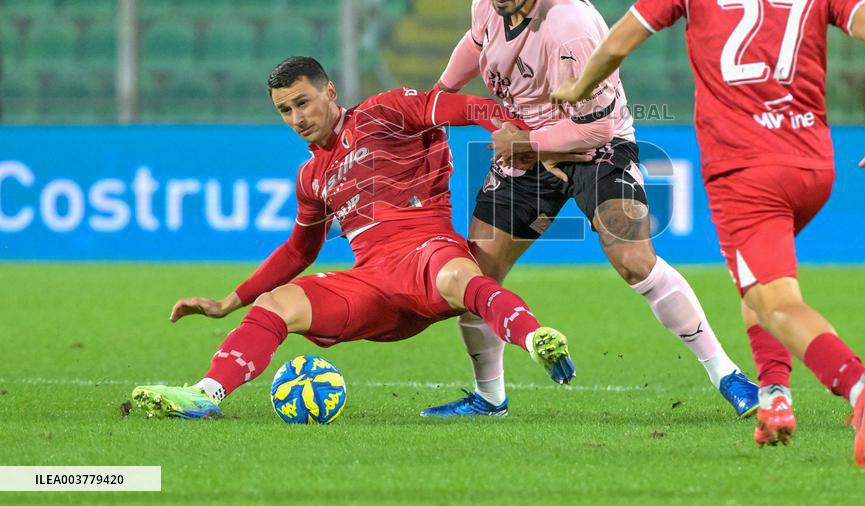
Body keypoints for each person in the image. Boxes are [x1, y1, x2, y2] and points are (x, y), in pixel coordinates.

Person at [550, 0, 865, 467]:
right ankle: (774, 396)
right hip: (814, 165)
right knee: (761, 285)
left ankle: (857, 384)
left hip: (747, 169)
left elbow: (616, 43)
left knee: (777, 301)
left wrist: (576, 87)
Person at [422, 0, 759, 419]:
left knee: (633, 260)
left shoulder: (571, 29)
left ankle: (727, 375)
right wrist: (440, 95)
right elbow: (477, 42)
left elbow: (597, 129)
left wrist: (529, 144)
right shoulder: (488, 0)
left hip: (592, 147)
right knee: (475, 274)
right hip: (529, 144)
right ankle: (490, 397)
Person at [131, 56, 575, 419]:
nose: (296, 118)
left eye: (303, 102)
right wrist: (229, 301)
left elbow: (466, 107)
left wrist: (508, 129)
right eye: (285, 110)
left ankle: (536, 338)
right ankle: (206, 395)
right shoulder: (311, 176)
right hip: (372, 284)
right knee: (277, 303)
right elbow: (298, 250)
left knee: (459, 276)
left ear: (330, 92)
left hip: (425, 252)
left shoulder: (386, 111)